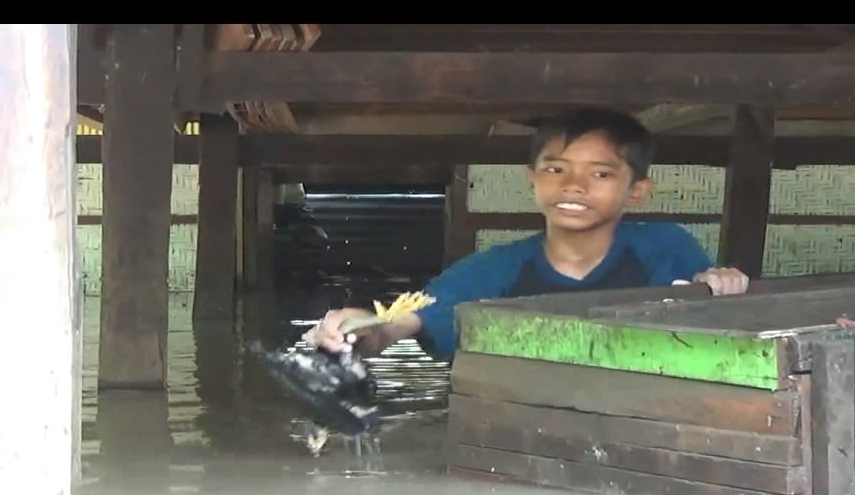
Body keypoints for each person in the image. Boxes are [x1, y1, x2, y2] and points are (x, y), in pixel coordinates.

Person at [305, 106, 750, 360]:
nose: (573, 185)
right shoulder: (491, 271)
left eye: (600, 174)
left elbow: (708, 303)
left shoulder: (664, 247)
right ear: (532, 180)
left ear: (637, 191)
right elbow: (400, 324)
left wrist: (722, 286)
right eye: (555, 169)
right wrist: (358, 329)